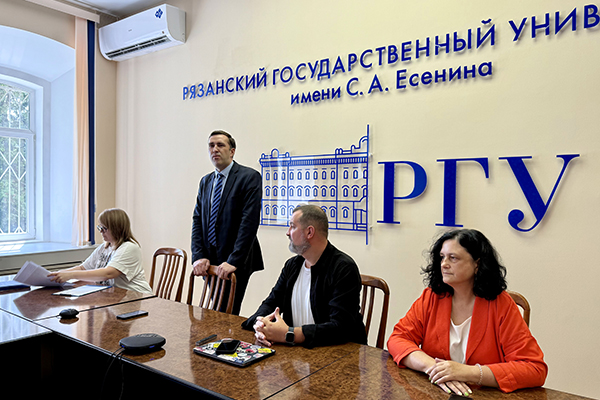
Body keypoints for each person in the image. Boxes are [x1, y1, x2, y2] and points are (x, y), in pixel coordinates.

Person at [387, 229, 548, 395]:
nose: (444, 264)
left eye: (453, 258)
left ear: (477, 264)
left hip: (482, 396)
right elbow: (398, 338)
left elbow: (534, 368)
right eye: (442, 257)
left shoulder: (501, 304)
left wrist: (468, 372)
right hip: (436, 393)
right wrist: (435, 368)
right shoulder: (432, 296)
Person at [242, 204, 367, 348]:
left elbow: (340, 328)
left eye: (292, 227)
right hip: (297, 351)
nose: (287, 233)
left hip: (338, 353)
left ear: (309, 232)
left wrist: (289, 334)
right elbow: (272, 302)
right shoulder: (292, 265)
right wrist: (261, 324)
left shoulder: (344, 268)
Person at [191, 130, 263, 315]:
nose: (215, 149)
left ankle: (227, 336)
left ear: (232, 151)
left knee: (226, 313)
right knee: (218, 311)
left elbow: (249, 222)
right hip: (210, 259)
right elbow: (197, 219)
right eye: (211, 145)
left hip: (235, 259)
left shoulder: (249, 177)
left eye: (220, 145)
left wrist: (234, 261)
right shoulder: (206, 181)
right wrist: (198, 255)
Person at [49, 208, 153, 294]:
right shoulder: (104, 247)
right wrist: (57, 274)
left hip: (136, 297)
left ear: (116, 229)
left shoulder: (129, 248)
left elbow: (109, 273)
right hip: (115, 296)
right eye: (100, 228)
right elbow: (83, 268)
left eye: (104, 228)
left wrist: (71, 275)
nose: (101, 232)